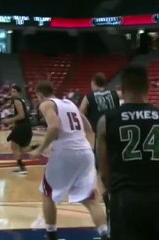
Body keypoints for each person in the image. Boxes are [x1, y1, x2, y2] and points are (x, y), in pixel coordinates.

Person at [97, 65, 159, 239]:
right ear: (147, 88)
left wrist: (113, 198)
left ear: (123, 89)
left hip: (124, 201)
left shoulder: (106, 121)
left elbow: (103, 174)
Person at [30, 80, 109, 240]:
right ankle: (105, 235)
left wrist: (41, 148)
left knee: (47, 194)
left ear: (39, 94)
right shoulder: (70, 103)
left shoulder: (46, 104)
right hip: (85, 152)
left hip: (66, 152)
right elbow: (88, 127)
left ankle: (52, 235)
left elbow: (54, 126)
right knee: (90, 199)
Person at [79, 73, 120, 218]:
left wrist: (87, 130)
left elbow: (80, 114)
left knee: (100, 171)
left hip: (101, 136)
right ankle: (118, 198)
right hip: (117, 134)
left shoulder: (89, 96)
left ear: (93, 82)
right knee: (117, 168)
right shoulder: (115, 94)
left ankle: (108, 202)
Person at [4, 85, 35, 175]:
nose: (12, 93)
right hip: (25, 126)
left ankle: (22, 168)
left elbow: (21, 115)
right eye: (11, 91)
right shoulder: (20, 101)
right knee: (22, 149)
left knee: (14, 146)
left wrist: (9, 121)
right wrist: (14, 124)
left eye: (14, 91)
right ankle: (39, 147)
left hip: (23, 126)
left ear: (19, 93)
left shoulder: (17, 101)